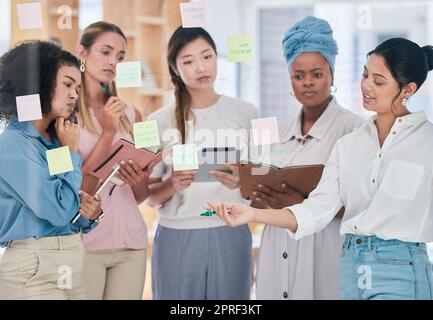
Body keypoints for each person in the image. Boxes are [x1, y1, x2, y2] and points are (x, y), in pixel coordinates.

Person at [206, 37, 433, 300]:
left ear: (408, 90)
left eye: (378, 81)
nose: (366, 86)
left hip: (401, 268)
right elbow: (316, 210)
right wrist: (250, 214)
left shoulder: (427, 143)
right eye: (365, 75)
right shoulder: (349, 144)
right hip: (350, 265)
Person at [251, 15, 363, 300]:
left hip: (325, 252)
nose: (308, 83)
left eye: (317, 74)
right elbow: (259, 191)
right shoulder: (276, 130)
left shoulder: (354, 129)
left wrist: (300, 205)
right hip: (277, 249)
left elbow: (364, 209)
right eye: (298, 76)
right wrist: (247, 186)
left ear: (332, 75)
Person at [146, 27, 259, 300]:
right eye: (188, 61)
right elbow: (147, 196)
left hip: (230, 231)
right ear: (174, 68)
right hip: (177, 235)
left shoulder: (247, 112)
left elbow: (265, 180)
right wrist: (172, 184)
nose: (201, 67)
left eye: (207, 56)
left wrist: (243, 180)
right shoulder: (155, 121)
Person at [0, 41, 102, 299]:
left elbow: (65, 207)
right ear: (39, 83)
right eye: (67, 84)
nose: (74, 95)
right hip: (32, 269)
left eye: (78, 88)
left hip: (70, 261)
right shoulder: (12, 145)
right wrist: (71, 153)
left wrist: (88, 216)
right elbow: (56, 211)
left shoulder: (54, 140)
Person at [75, 21, 153, 300]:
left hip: (131, 244)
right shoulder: (64, 117)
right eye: (105, 52)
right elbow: (79, 187)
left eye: (120, 56)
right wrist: (108, 132)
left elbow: (141, 195)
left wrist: (140, 180)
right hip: (85, 244)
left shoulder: (134, 116)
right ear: (82, 53)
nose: (113, 62)